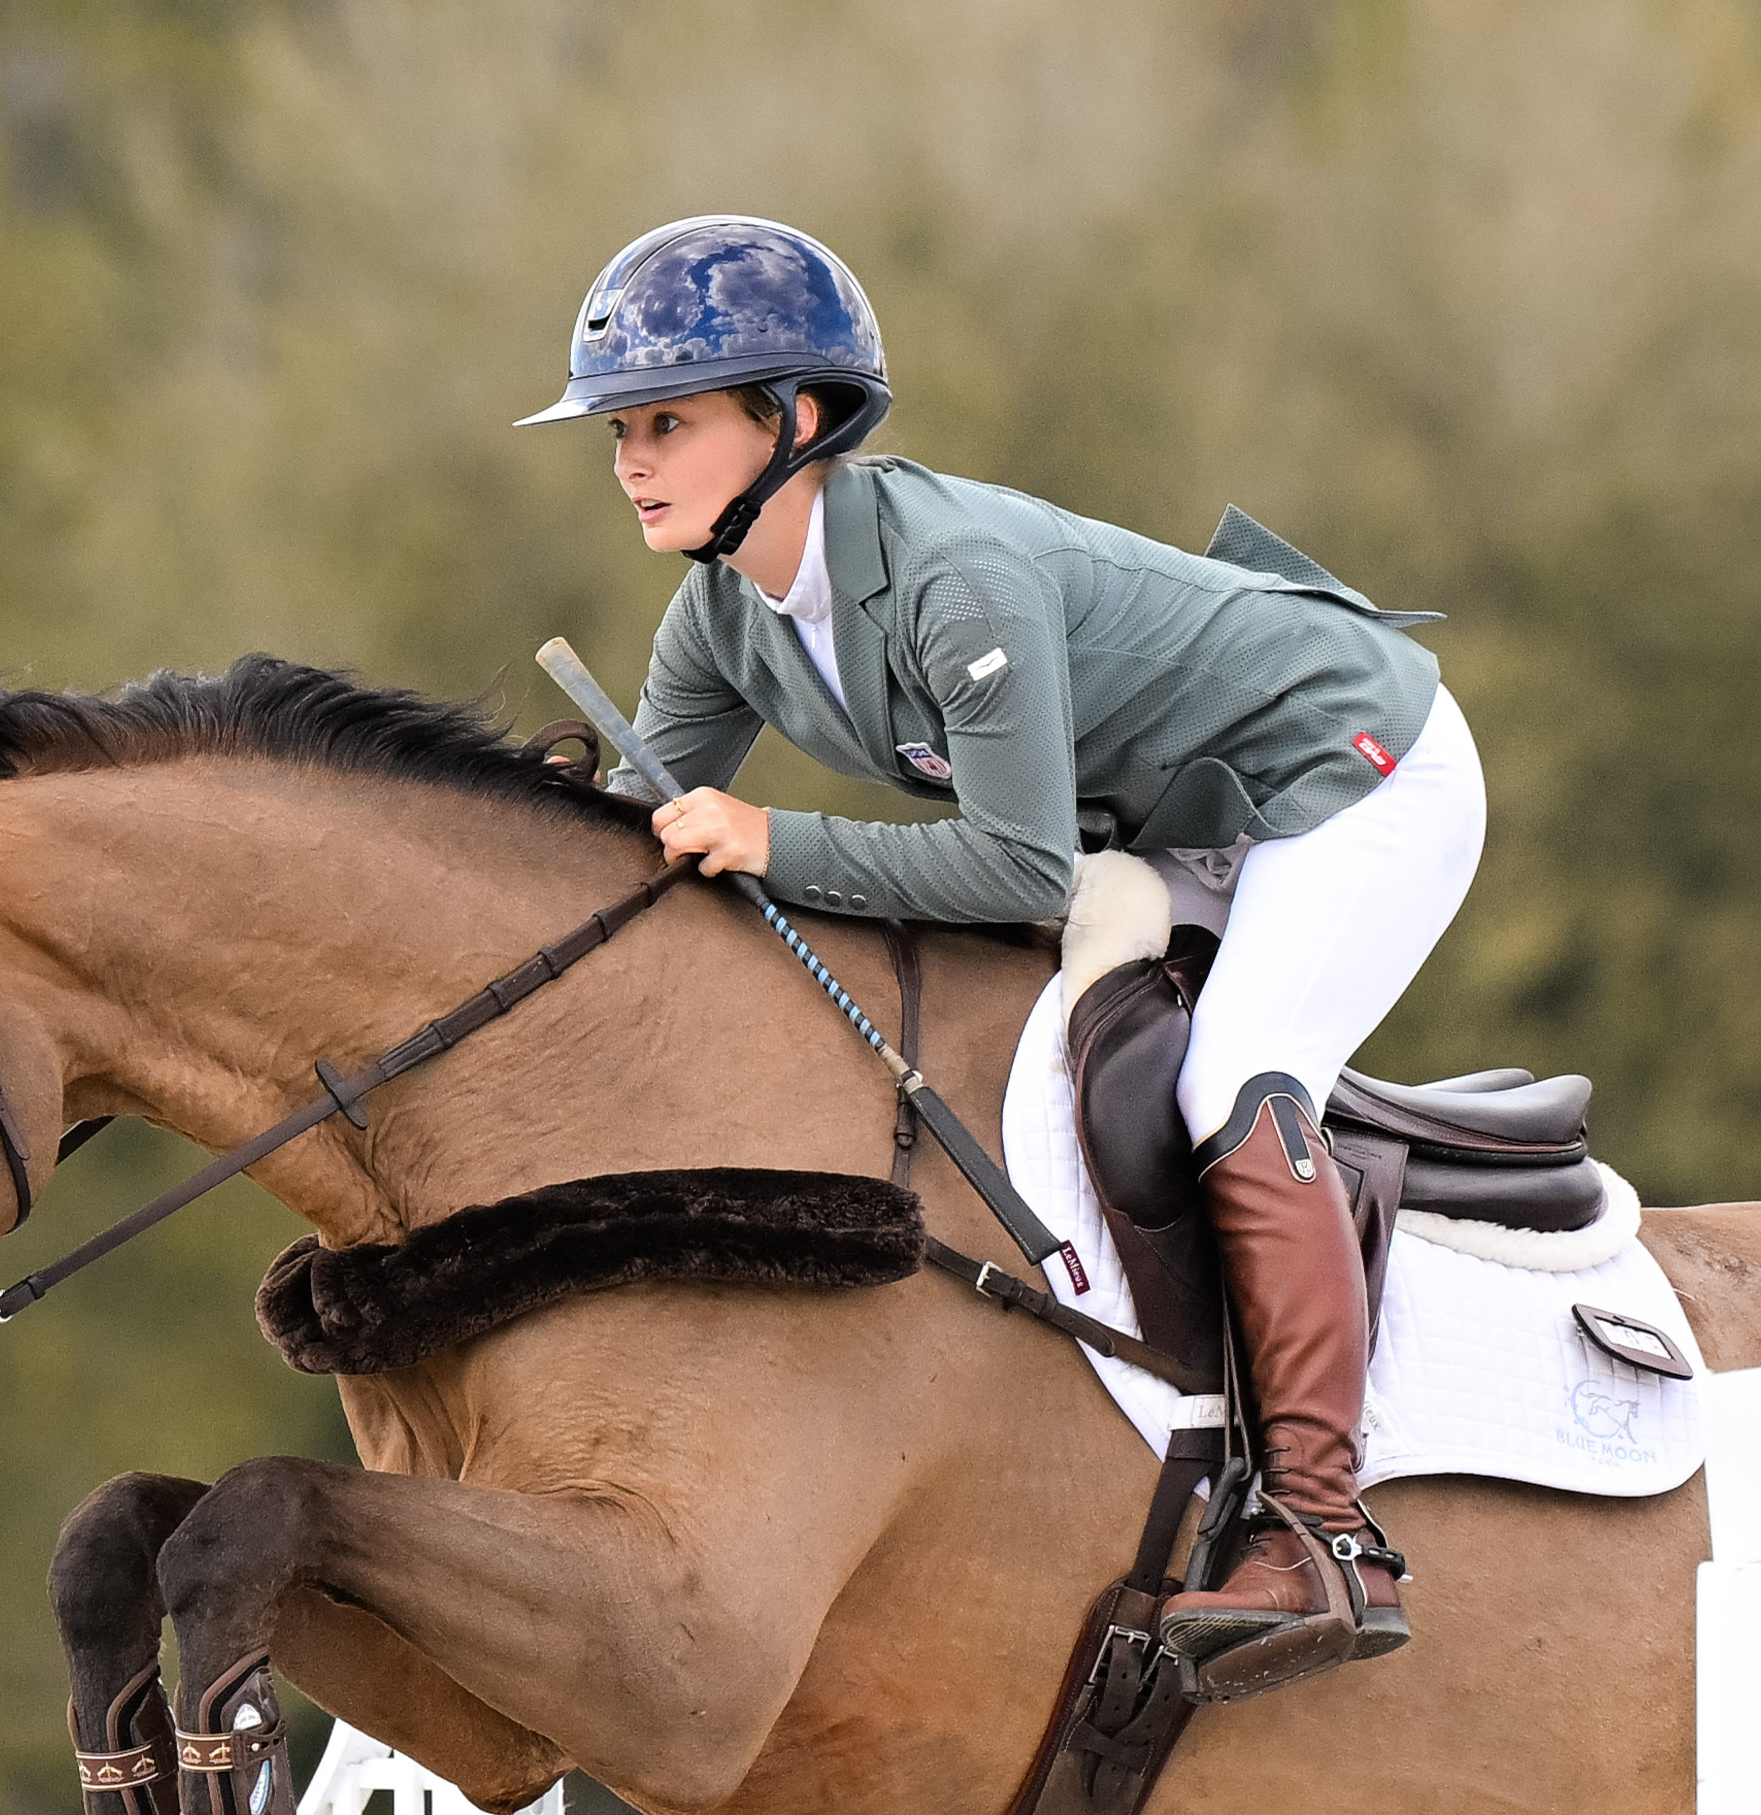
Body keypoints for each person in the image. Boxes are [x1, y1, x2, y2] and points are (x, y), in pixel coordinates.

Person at [533, 211, 1480, 1695]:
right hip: (1180, 816)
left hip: (1351, 771)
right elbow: (644, 834)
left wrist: (773, 838)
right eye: (619, 431)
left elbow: (1019, 869)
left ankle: (1322, 1535)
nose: (630, 461)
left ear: (793, 420)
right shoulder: (722, 613)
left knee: (1235, 1073)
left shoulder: (954, 579)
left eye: (667, 422)